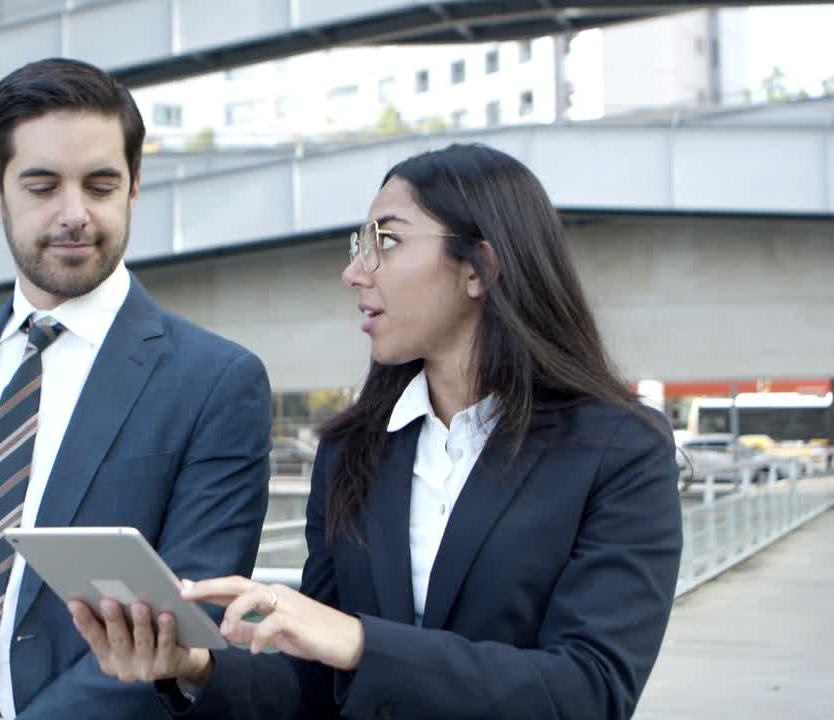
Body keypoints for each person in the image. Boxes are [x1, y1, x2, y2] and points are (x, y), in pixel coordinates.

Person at [69, 143, 683, 719]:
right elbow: (317, 688)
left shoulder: (622, 450)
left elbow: (590, 692)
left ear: (479, 268)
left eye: (385, 242)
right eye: (360, 244)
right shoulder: (351, 451)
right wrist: (196, 665)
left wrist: (361, 642)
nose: (355, 273)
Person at [0, 58, 273, 719]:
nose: (75, 214)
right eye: (43, 187)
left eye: (100, 186)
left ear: (133, 189)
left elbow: (187, 618)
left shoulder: (218, 383)